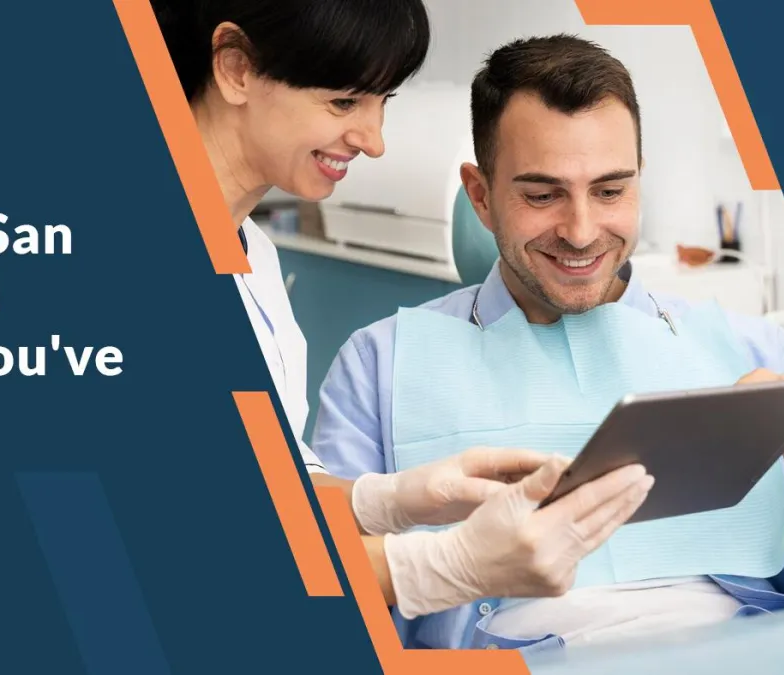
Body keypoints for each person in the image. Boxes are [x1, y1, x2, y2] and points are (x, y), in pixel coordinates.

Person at [152, 0, 653, 612]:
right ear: (235, 68)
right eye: (344, 102)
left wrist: (386, 500)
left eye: (382, 101)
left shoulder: (251, 256)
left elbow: (260, 496)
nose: (374, 141)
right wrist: (441, 566)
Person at [310, 33, 784, 652]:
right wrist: (445, 563)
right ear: (481, 196)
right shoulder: (379, 366)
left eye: (610, 190)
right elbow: (313, 590)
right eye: (542, 195)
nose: (581, 231)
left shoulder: (756, 352)